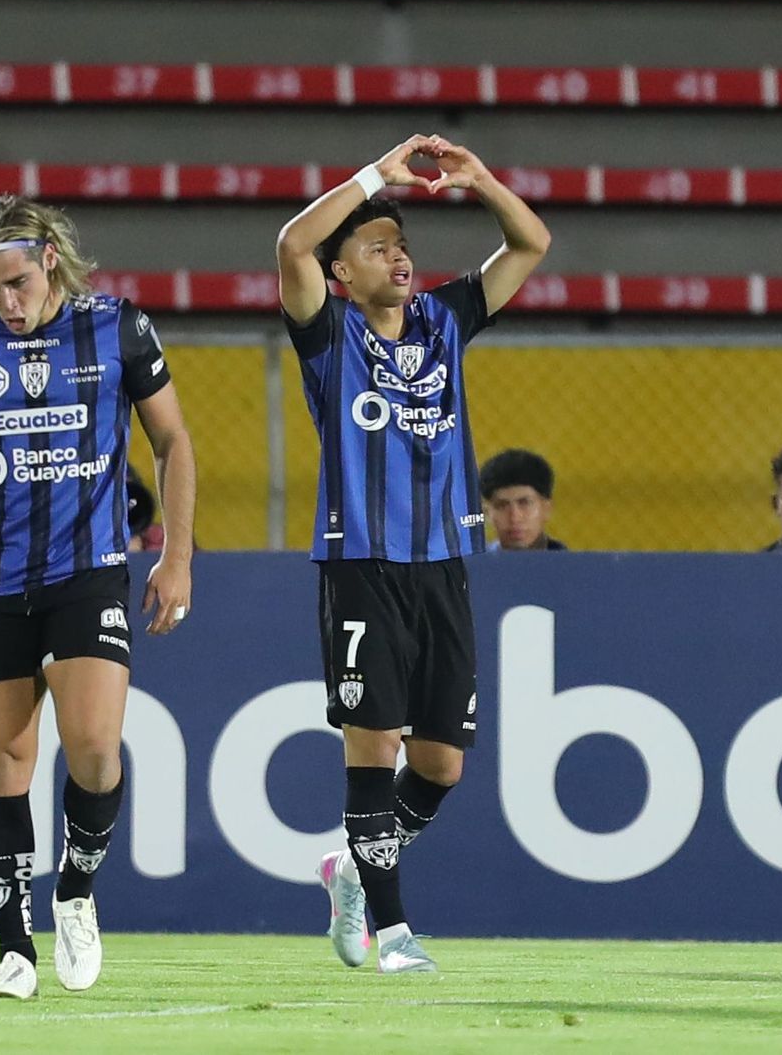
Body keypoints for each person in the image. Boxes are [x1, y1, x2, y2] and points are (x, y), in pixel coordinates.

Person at [0, 194, 197, 1000]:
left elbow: (172, 441)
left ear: (49, 257)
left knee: (94, 747)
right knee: (5, 759)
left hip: (88, 571)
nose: (5, 303)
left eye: (15, 283)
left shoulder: (118, 325)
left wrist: (178, 556)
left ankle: (77, 889)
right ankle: (13, 950)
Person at [276, 134, 550, 973]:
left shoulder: (443, 319)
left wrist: (480, 180)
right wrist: (372, 175)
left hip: (443, 565)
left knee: (442, 762)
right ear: (341, 276)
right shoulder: (328, 340)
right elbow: (291, 243)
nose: (398, 257)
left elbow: (531, 244)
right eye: (376, 247)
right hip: (361, 564)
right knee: (375, 743)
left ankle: (352, 866)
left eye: (402, 244)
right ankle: (391, 932)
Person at [479, 448, 567, 551]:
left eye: (525, 503)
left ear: (546, 508)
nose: (514, 518)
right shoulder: (472, 565)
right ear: (487, 513)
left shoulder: (573, 566)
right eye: (502, 505)